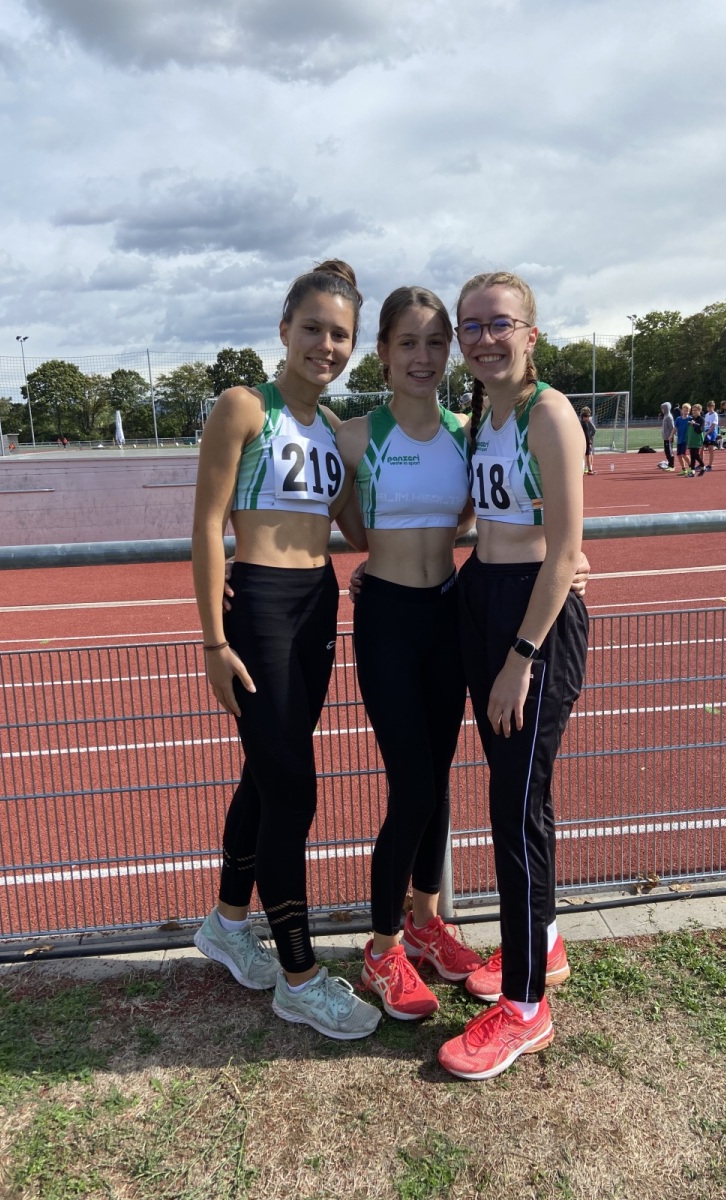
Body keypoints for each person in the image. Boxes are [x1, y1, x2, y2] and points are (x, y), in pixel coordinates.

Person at [338, 286, 591, 1023]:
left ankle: (426, 922)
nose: (423, 357)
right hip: (388, 620)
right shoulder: (351, 436)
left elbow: (501, 512)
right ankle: (383, 947)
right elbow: (329, 521)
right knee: (413, 786)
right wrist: (250, 570)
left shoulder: (468, 429)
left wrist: (565, 559)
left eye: (435, 342)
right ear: (382, 353)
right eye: (407, 343)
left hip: (453, 612)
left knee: (443, 781)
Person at [190, 259, 381, 1041]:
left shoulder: (334, 428)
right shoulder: (243, 406)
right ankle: (298, 977)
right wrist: (212, 639)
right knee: (294, 791)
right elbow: (207, 526)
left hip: (317, 605)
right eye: (313, 329)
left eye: (340, 335)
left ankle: (227, 923)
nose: (325, 346)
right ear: (284, 329)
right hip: (260, 609)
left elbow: (357, 531)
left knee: (268, 775)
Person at [436, 271, 588, 1081]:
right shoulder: (482, 421)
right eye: (471, 326)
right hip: (482, 596)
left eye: (500, 323)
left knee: (512, 809)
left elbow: (564, 551)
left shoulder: (548, 414)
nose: (484, 338)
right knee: (522, 793)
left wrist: (520, 661)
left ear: (531, 334)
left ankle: (526, 1008)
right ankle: (545, 943)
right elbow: (479, 514)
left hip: (532, 620)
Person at [687, 404, 706, 476]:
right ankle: (693, 471)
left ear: (700, 411)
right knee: (692, 455)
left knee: (695, 455)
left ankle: (703, 466)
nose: (694, 412)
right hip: (691, 439)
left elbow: (700, 430)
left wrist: (694, 424)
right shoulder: (692, 419)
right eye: (693, 410)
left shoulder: (701, 419)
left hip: (698, 440)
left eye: (695, 410)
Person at [674, 403, 691, 476]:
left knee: (684, 454)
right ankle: (683, 469)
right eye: (684, 410)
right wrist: (671, 435)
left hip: (686, 440)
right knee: (679, 455)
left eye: (687, 410)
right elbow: (675, 428)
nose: (685, 412)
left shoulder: (690, 419)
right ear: (682, 410)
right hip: (679, 439)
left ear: (689, 411)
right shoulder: (678, 419)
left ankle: (691, 466)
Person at [702, 400, 720, 470]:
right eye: (708, 407)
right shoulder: (706, 415)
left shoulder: (715, 415)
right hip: (706, 432)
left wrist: (707, 433)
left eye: (710, 407)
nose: (709, 409)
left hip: (711, 433)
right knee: (701, 448)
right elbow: (705, 425)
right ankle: (701, 464)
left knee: (710, 449)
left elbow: (713, 426)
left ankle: (709, 465)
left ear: (713, 407)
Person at [579, 406, 596, 475]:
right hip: (586, 441)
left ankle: (588, 469)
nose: (589, 418)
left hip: (584, 441)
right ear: (584, 417)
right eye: (588, 417)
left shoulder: (582, 422)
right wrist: (589, 442)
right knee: (588, 455)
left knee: (587, 455)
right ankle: (589, 469)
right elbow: (587, 434)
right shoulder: (585, 424)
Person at [659, 402, 675, 471]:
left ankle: (672, 466)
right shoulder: (665, 416)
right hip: (665, 438)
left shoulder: (669, 417)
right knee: (667, 451)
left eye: (663, 408)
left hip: (669, 438)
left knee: (669, 451)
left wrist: (672, 436)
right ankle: (669, 464)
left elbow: (672, 427)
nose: (662, 410)